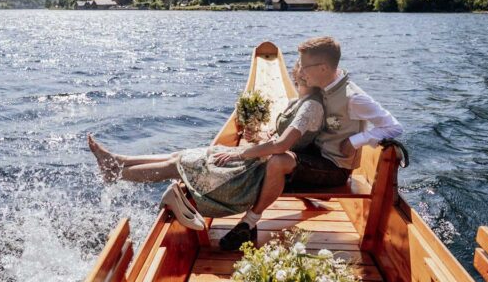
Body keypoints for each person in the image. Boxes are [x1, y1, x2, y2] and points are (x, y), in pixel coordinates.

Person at [87, 64, 325, 251]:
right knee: (180, 156)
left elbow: (283, 147)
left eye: (299, 75)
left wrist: (243, 151)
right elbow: (282, 141)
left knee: (179, 165)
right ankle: (117, 162)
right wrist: (261, 137)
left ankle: (118, 174)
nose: (297, 79)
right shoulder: (300, 102)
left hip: (251, 174)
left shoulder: (310, 107)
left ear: (302, 79)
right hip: (254, 162)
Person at [216, 36, 403, 247]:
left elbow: (394, 126)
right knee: (263, 156)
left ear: (323, 68)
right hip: (314, 155)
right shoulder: (323, 84)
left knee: (278, 161)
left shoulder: (354, 98)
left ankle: (248, 223)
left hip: (334, 167)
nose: (300, 72)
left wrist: (356, 140)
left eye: (304, 67)